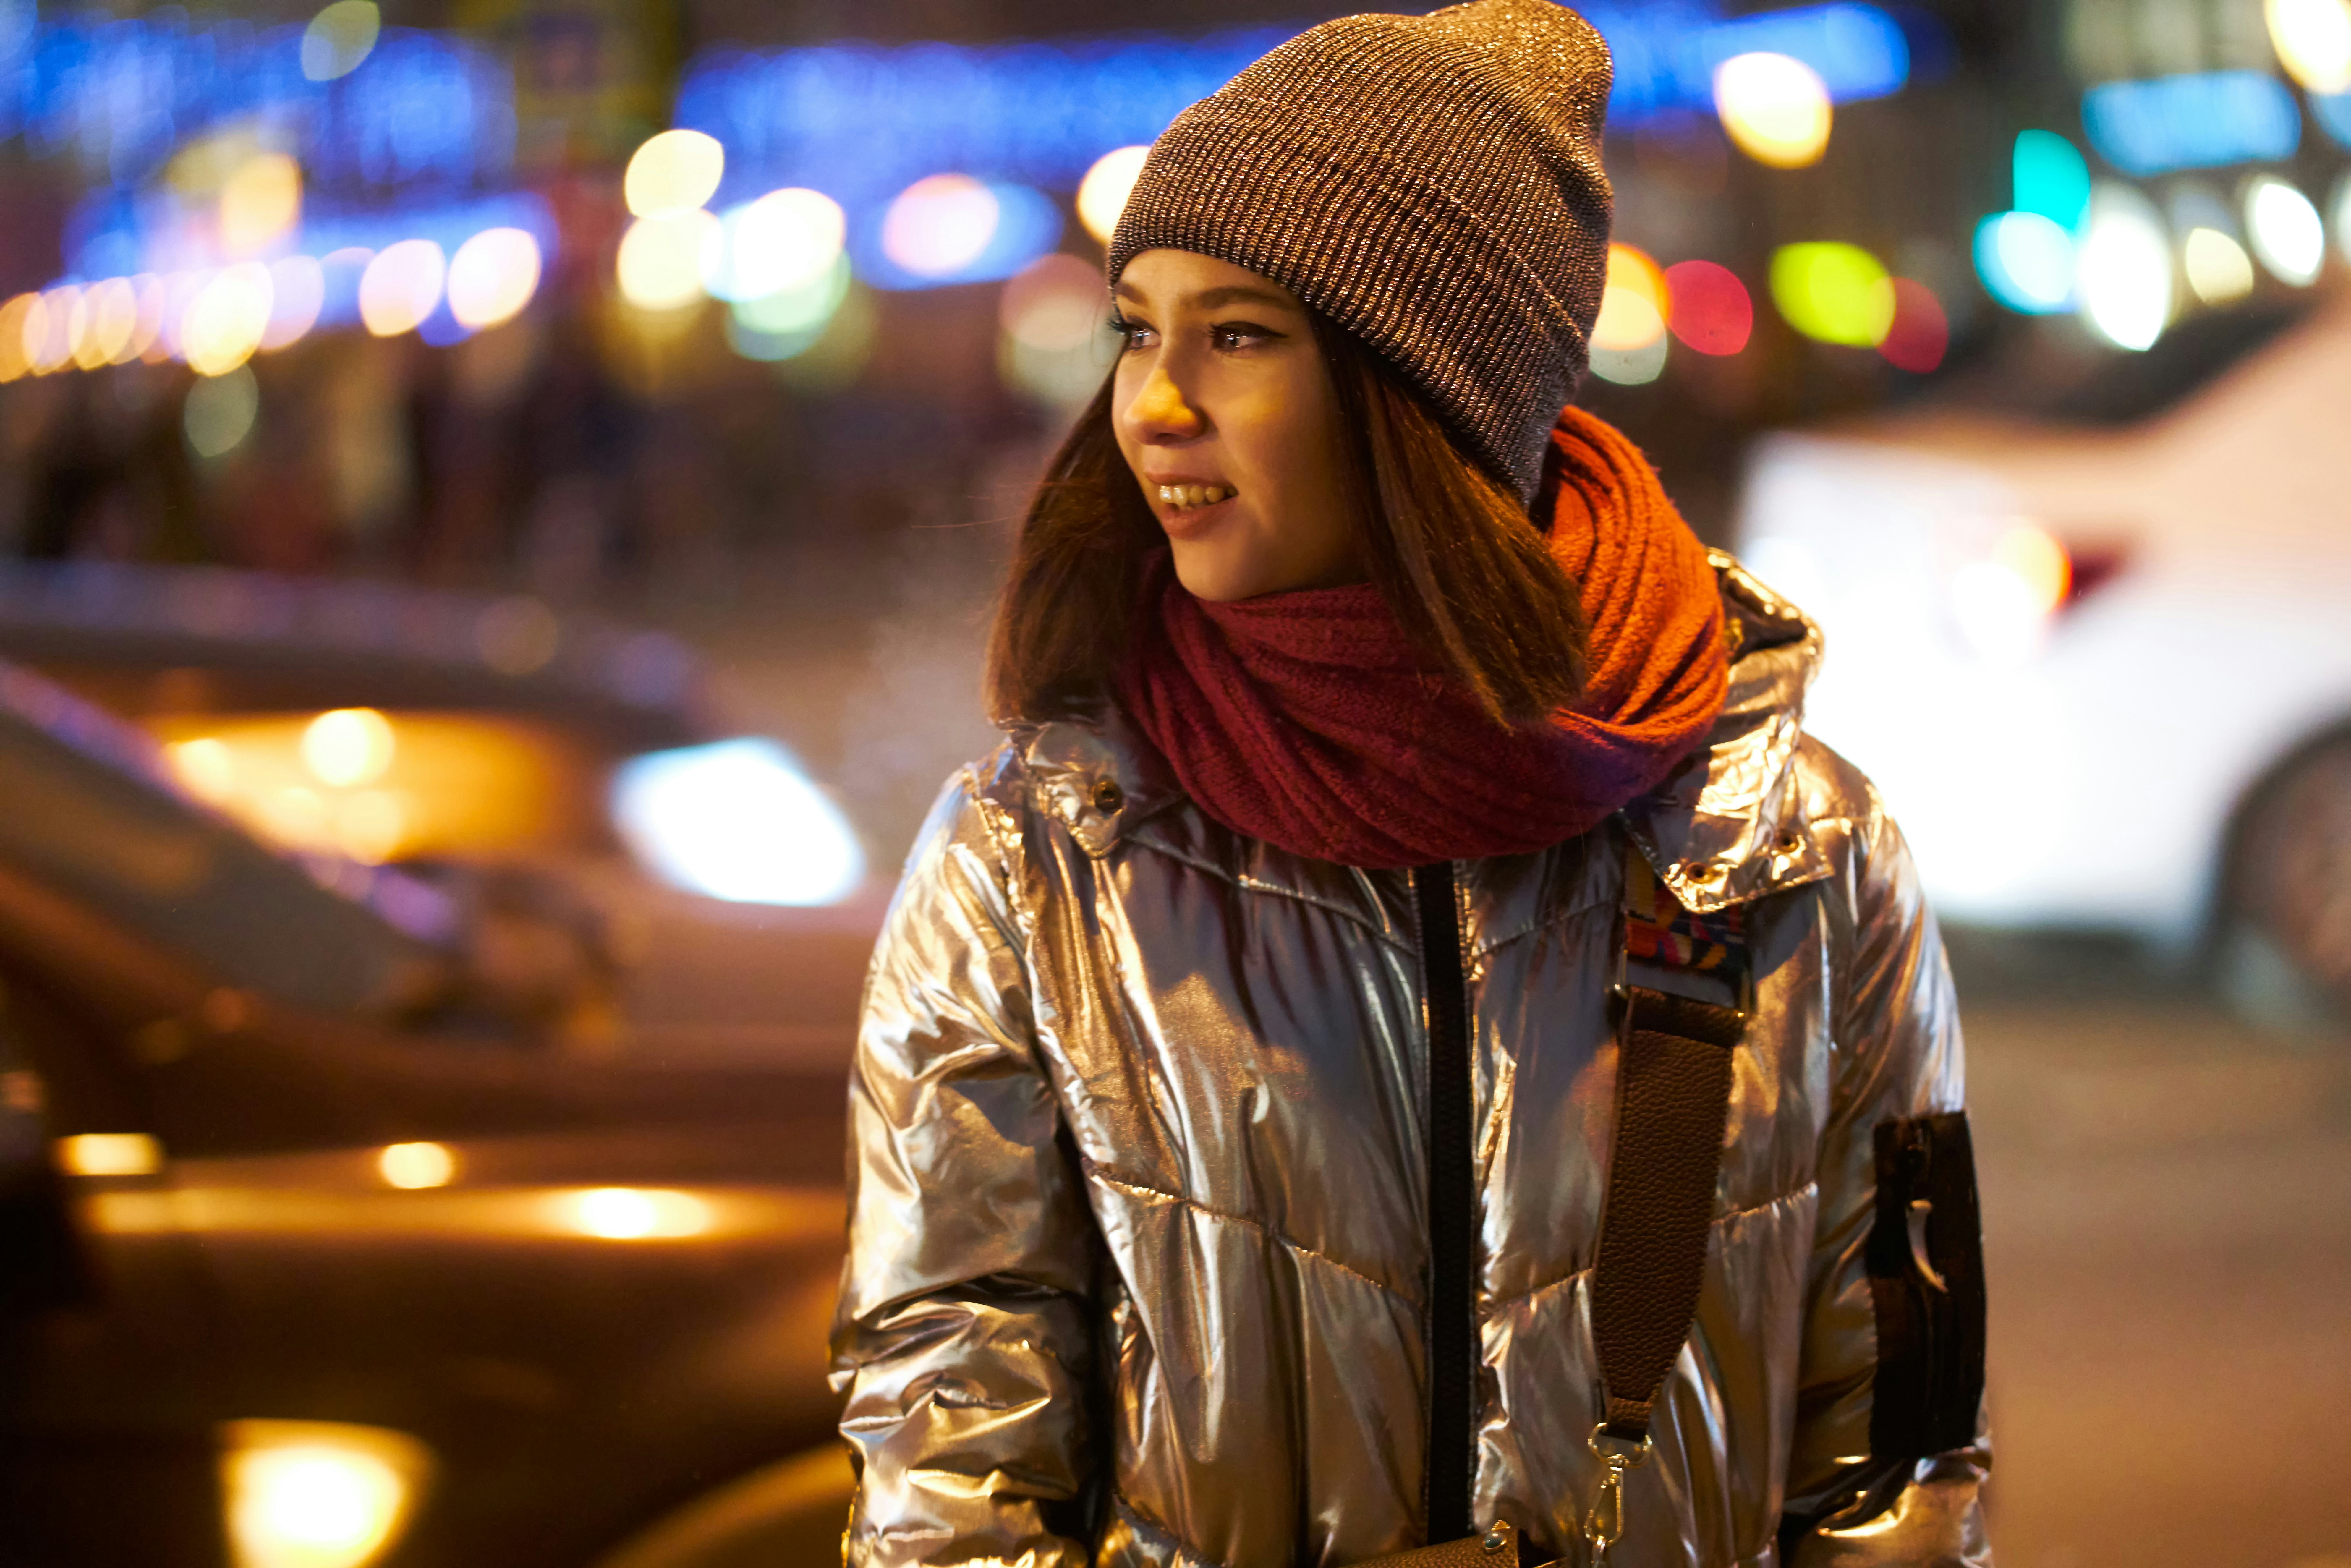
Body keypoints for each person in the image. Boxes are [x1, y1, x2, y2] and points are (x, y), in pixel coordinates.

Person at [830, 4, 1992, 1564]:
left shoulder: (1791, 844)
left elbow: (1899, 1455)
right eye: (1136, 327)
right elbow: (948, 1462)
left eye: (1236, 334)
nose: (1151, 402)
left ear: (1429, 395)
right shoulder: (1037, 856)